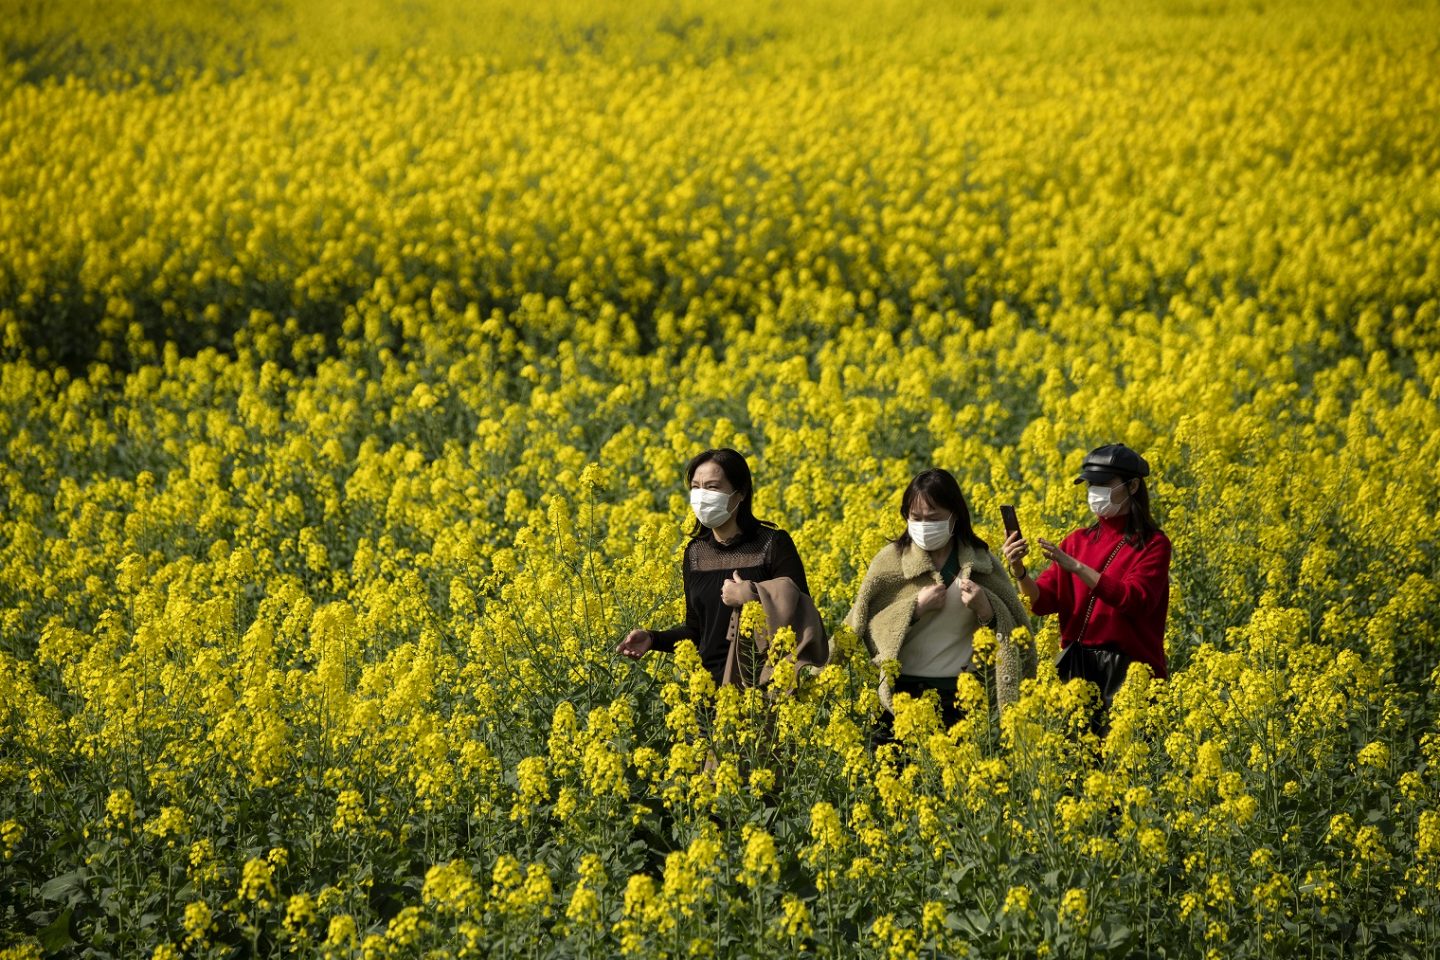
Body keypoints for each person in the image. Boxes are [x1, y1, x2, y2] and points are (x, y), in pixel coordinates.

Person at [845, 468, 1033, 733]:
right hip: (899, 698)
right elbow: (863, 626)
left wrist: (987, 610)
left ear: (955, 517)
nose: (923, 525)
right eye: (916, 518)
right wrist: (914, 610)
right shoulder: (890, 561)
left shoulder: (982, 564)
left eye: (933, 518)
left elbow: (1013, 630)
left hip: (960, 698)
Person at [1000, 443, 1171, 730]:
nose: (1095, 491)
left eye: (1104, 484)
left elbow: (1133, 600)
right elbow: (1041, 602)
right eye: (1091, 484)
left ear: (1132, 487)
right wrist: (1018, 570)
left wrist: (1077, 568)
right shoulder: (1077, 541)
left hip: (1132, 673)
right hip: (1077, 671)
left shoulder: (1153, 545)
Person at [616, 449, 811, 684]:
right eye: (696, 487)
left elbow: (802, 613)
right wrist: (653, 639)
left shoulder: (772, 544)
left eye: (712, 487)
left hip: (764, 689)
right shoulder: (695, 553)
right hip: (708, 694)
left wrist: (751, 595)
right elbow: (697, 632)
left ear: (740, 494)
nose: (701, 495)